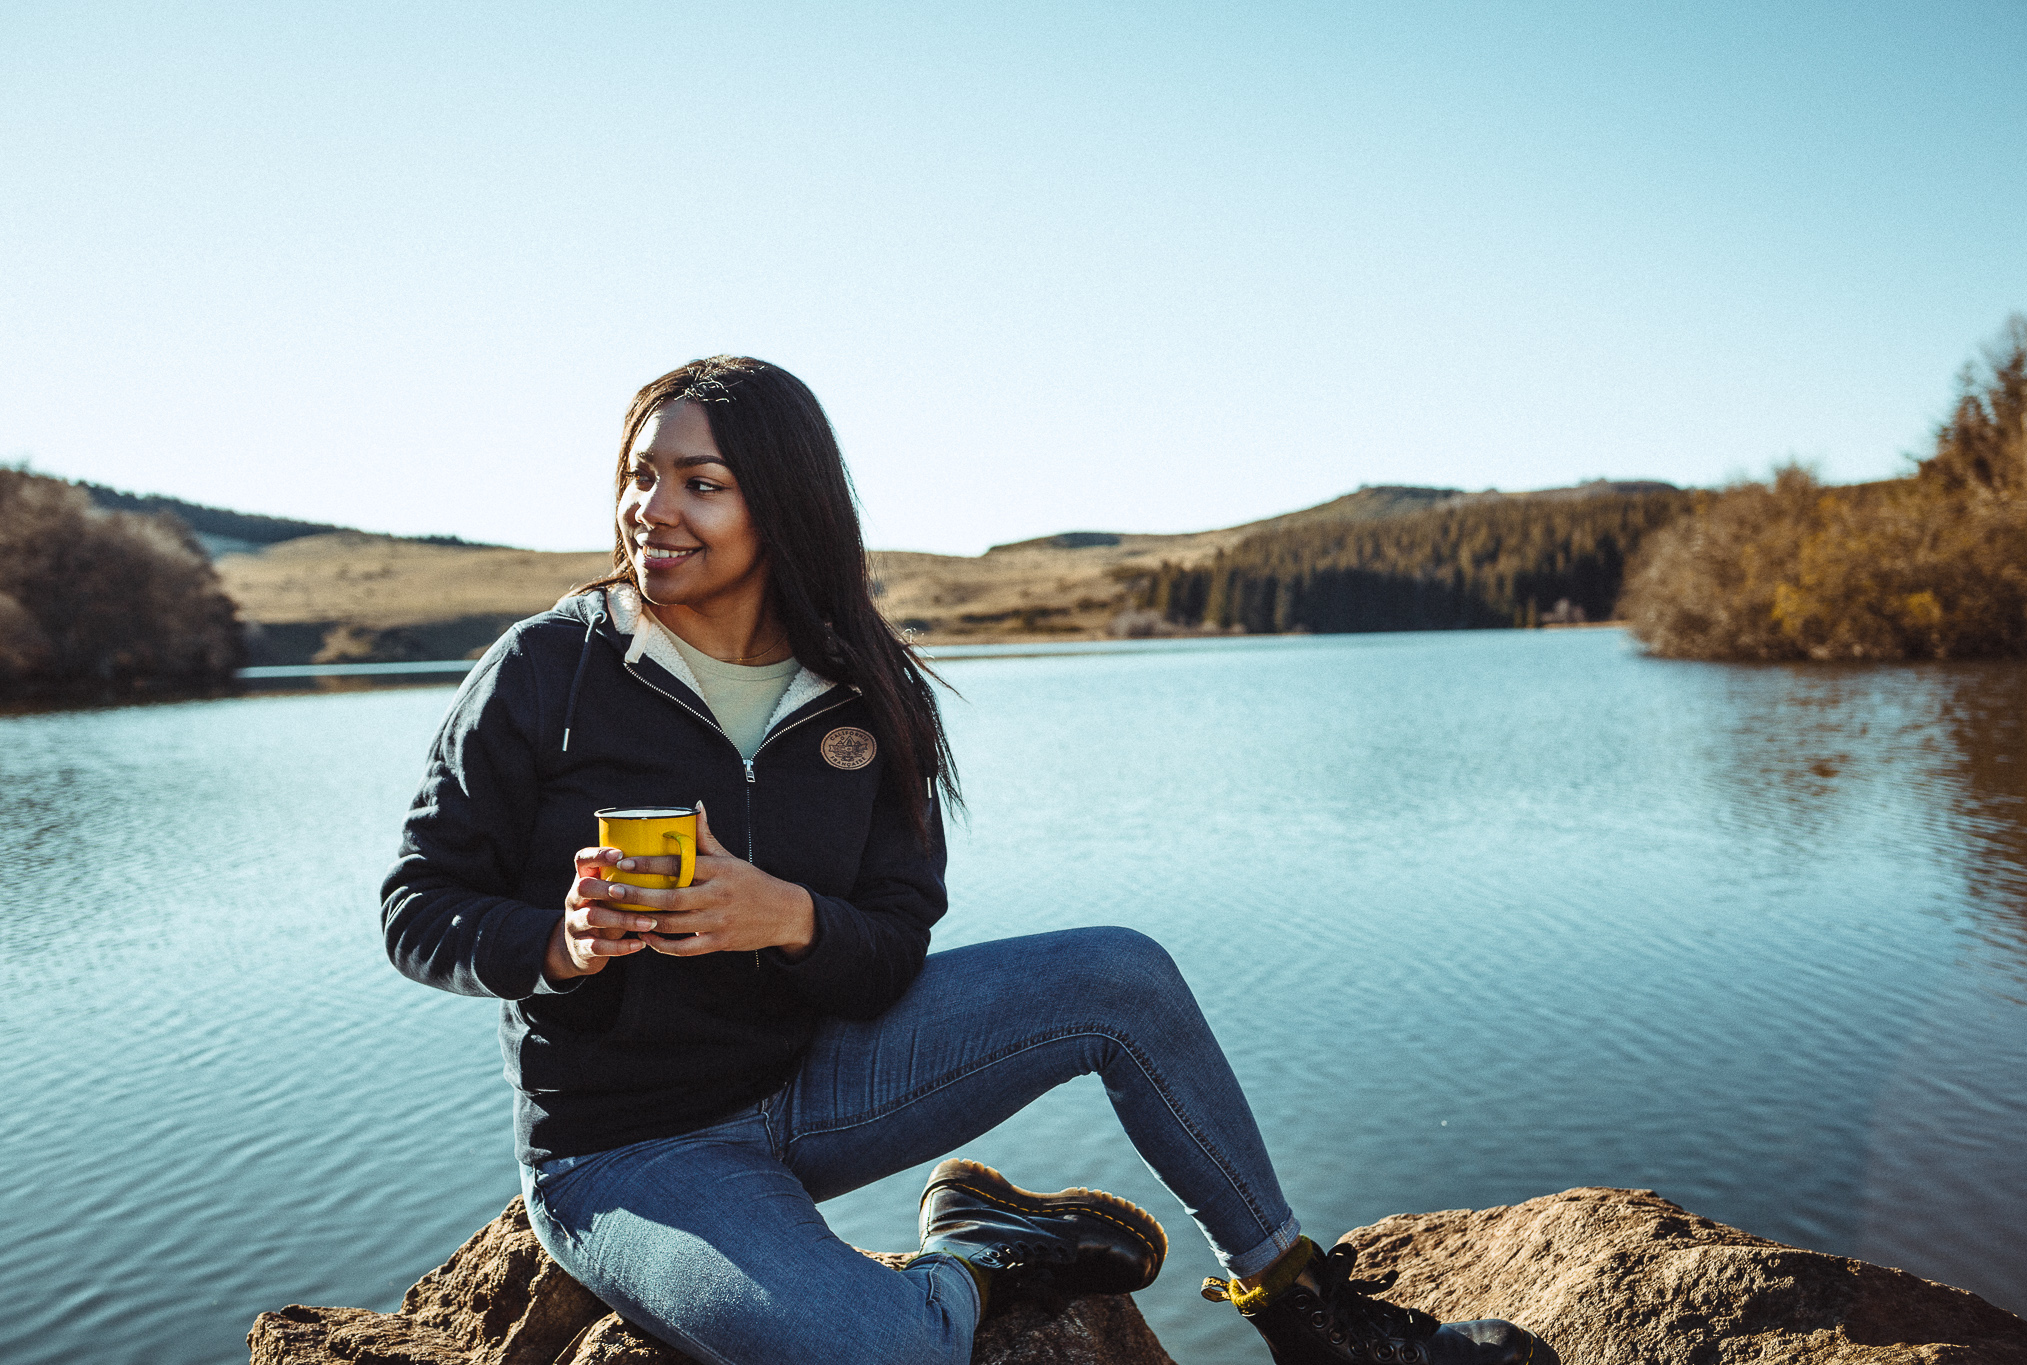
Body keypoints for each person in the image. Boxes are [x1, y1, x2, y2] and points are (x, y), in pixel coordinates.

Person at [381, 356, 1535, 1365]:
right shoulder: (549, 669)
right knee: (878, 1348)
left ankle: (1299, 1306)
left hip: (819, 1078)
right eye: (641, 475)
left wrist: (791, 919)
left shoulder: (859, 689)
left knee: (1120, 976)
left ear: (779, 503)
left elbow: (894, 941)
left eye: (699, 482)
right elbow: (415, 906)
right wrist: (557, 944)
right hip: (630, 1152)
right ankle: (982, 1257)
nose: (653, 509)